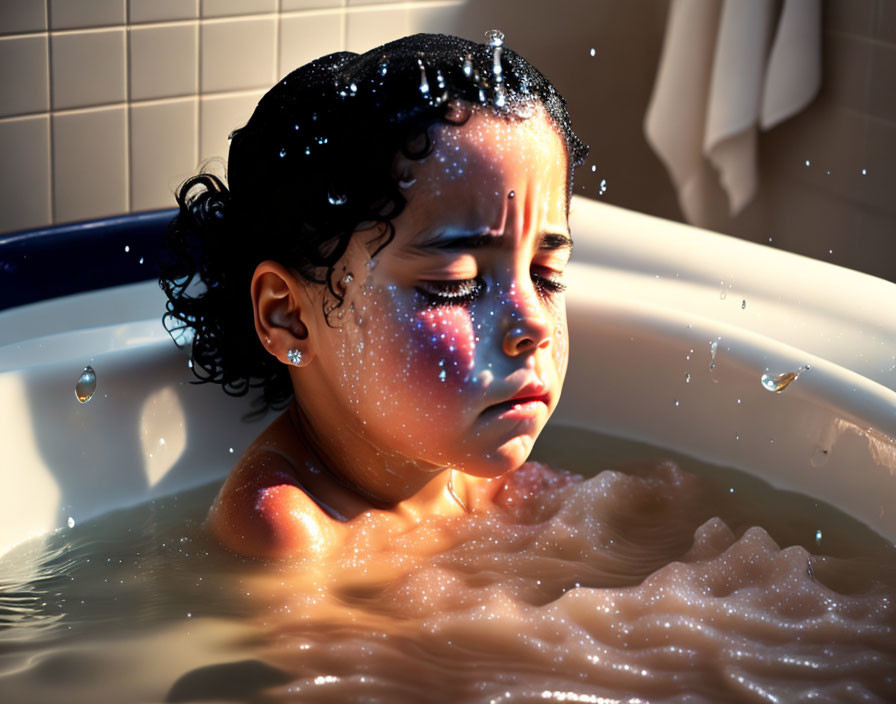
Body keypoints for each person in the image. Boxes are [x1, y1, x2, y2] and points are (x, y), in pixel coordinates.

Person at [159, 32, 588, 559]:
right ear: (289, 315)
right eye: (456, 283)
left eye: (546, 275)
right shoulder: (290, 531)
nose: (534, 325)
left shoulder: (496, 480)